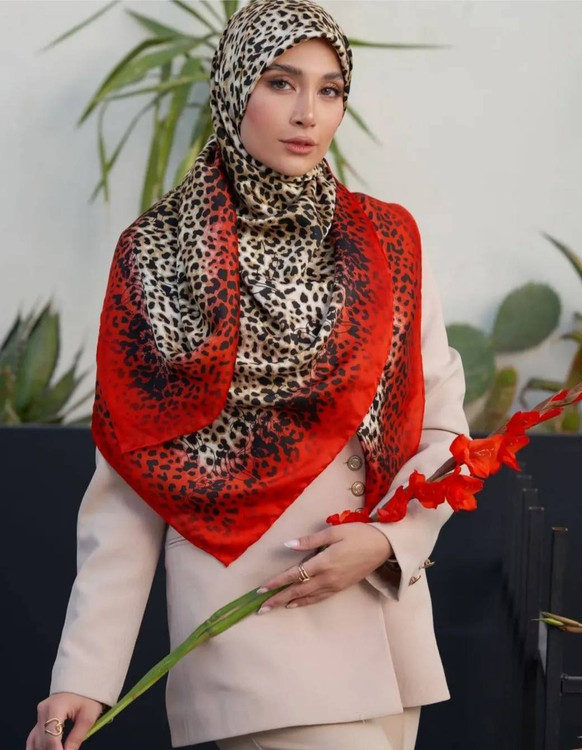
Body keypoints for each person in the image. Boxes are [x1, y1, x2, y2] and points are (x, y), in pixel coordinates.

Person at [27, 1, 469, 749]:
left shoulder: (386, 238)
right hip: (255, 624)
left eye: (330, 89)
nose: (307, 113)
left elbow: (443, 429)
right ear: (235, 88)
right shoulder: (161, 256)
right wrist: (87, 673)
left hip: (385, 624)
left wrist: (390, 541)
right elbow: (133, 482)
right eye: (281, 83)